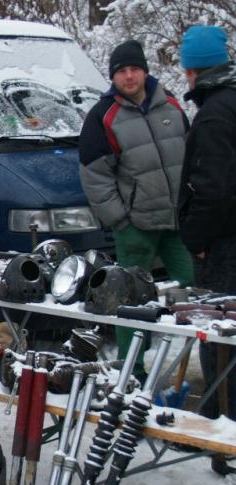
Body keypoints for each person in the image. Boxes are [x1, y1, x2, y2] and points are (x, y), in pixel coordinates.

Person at [78, 39, 193, 379]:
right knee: (131, 301)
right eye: (121, 71)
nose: (129, 77)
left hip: (176, 223)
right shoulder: (103, 117)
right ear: (113, 77)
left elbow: (191, 157)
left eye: (134, 69)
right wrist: (120, 220)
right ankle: (132, 370)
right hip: (136, 227)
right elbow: (95, 177)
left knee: (193, 289)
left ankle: (199, 362)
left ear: (145, 71)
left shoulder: (171, 105)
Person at [178, 25, 236, 435]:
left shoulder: (215, 115)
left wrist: (196, 240)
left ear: (191, 71)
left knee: (219, 336)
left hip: (223, 247)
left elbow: (212, 189)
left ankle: (220, 429)